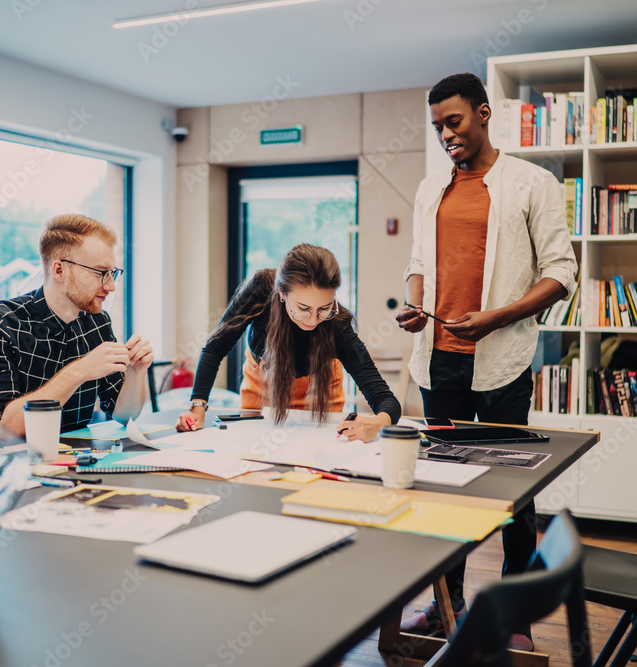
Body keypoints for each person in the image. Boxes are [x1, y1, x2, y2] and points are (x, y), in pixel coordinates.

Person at [395, 73, 578, 649]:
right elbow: (419, 259)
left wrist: (496, 317)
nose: (446, 134)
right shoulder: (431, 188)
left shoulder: (532, 182)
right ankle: (443, 607)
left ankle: (514, 619)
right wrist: (418, 304)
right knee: (441, 492)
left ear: (483, 113)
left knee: (510, 496)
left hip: (501, 366)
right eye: (437, 127)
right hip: (439, 364)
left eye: (455, 122)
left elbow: (561, 275)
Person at [0, 214, 153, 444]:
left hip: (70, 463)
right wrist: (81, 370)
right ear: (59, 270)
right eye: (100, 273)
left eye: (112, 273)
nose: (111, 286)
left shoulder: (98, 322)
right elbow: (5, 429)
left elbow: (123, 415)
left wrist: (136, 373)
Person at [176, 243, 401, 440]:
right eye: (303, 309)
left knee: (320, 452)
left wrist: (378, 424)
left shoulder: (337, 324)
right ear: (282, 292)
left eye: (324, 308)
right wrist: (197, 409)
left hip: (320, 387)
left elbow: (384, 398)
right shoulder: (261, 289)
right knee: (251, 447)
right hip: (261, 382)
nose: (314, 320)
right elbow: (216, 347)